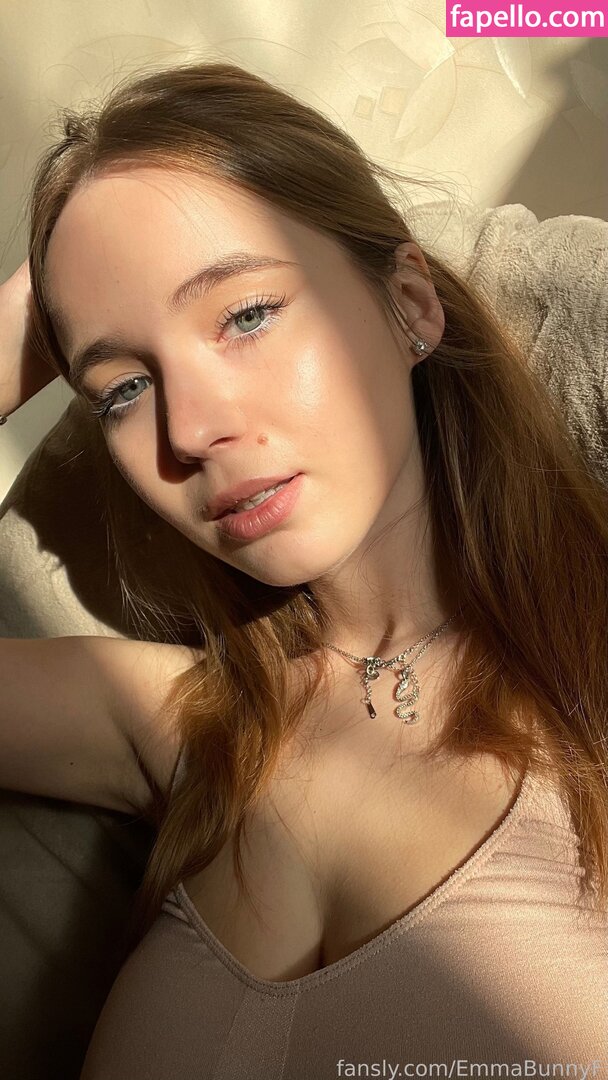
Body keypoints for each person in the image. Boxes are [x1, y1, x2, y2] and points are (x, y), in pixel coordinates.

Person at [0, 59, 606, 1079]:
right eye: (122, 391)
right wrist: (28, 318)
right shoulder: (187, 728)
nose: (189, 431)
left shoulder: (585, 648)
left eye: (244, 315)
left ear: (410, 303)